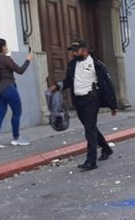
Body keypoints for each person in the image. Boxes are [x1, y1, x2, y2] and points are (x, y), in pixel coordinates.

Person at [50, 39, 117, 171]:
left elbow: (106, 84)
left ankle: (91, 161)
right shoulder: (72, 64)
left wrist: (112, 105)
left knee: (89, 129)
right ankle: (106, 148)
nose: (74, 53)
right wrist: (58, 86)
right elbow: (69, 80)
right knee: (90, 127)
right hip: (78, 100)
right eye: (72, 51)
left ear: (85, 50)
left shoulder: (96, 64)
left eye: (77, 50)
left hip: (91, 100)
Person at [0, 38, 34, 148]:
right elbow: (20, 71)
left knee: (0, 112)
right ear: (3, 47)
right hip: (8, 88)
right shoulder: (5, 59)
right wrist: (28, 60)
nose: (7, 47)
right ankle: (16, 138)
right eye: (6, 45)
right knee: (17, 112)